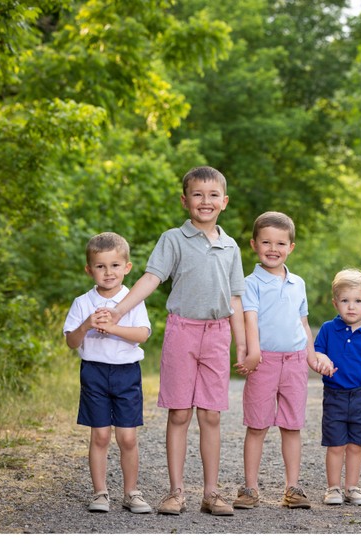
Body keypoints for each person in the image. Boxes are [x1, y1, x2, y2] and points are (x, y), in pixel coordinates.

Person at [106, 166, 246, 516]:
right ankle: (176, 491)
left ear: (225, 201)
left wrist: (243, 344)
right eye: (197, 194)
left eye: (213, 195)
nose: (205, 201)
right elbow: (151, 278)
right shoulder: (173, 239)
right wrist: (119, 311)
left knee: (210, 415)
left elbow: (236, 298)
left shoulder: (231, 246)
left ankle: (211, 493)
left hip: (217, 334)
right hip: (182, 331)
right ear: (185, 200)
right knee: (180, 412)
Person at [232, 211, 320, 510]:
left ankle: (292, 488)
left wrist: (311, 355)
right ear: (254, 244)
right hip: (264, 362)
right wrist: (253, 353)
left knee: (292, 426)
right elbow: (250, 319)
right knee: (257, 425)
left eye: (280, 243)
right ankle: (250, 488)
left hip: (294, 361)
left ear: (290, 247)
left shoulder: (298, 283)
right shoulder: (250, 283)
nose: (273, 249)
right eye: (266, 242)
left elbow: (303, 323)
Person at [63, 232, 153, 514]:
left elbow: (143, 334)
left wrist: (113, 327)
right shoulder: (83, 303)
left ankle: (131, 493)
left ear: (127, 267)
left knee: (127, 438)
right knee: (100, 436)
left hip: (127, 374)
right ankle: (100, 493)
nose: (108, 272)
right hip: (94, 373)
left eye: (115, 265)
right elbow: (71, 342)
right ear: (89, 269)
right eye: (100, 266)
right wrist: (86, 325)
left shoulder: (132, 300)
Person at [313, 268, 361, 506]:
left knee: (356, 445)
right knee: (336, 444)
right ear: (335, 303)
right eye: (345, 300)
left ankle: (352, 488)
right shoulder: (328, 329)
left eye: (358, 301)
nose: (351, 306)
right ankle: (333, 488)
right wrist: (322, 360)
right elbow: (317, 352)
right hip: (334, 395)